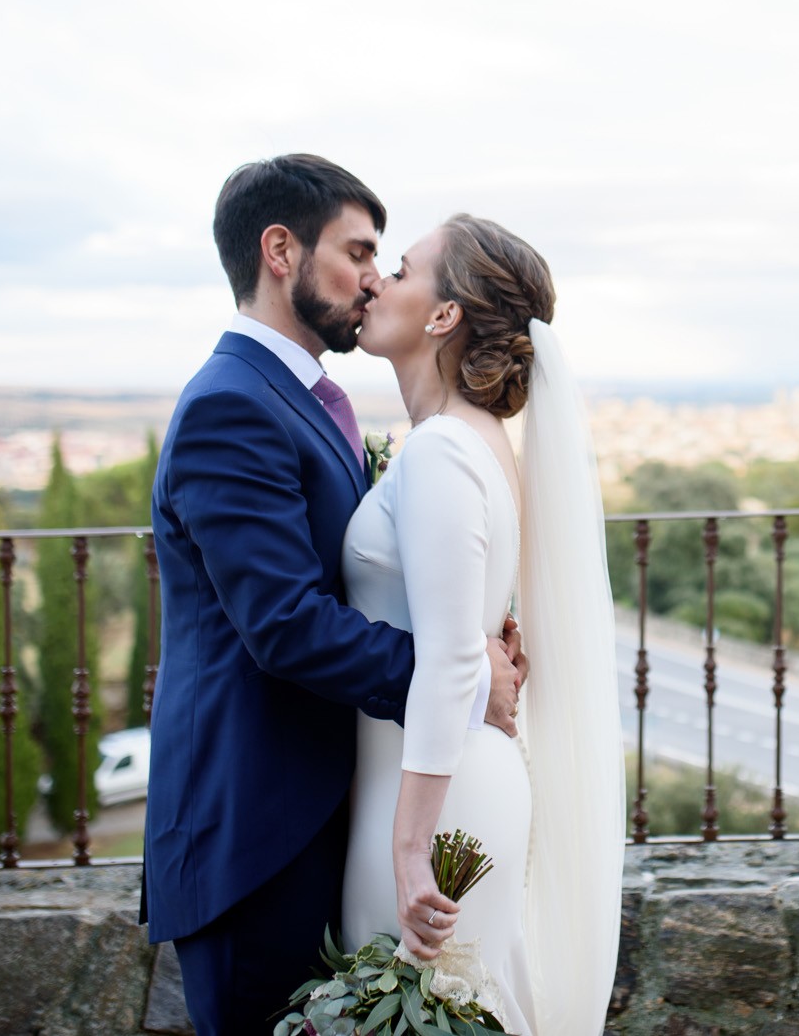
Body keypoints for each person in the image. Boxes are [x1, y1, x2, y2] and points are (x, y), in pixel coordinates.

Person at [144, 157, 523, 1035]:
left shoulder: (308, 399)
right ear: (281, 250)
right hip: (256, 833)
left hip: (324, 815)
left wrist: (472, 630)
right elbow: (285, 624)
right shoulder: (231, 406)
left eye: (382, 258)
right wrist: (465, 674)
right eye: (357, 252)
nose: (371, 277)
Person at [341, 213, 623, 1035]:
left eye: (401, 269)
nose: (376, 281)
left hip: (432, 802)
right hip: (443, 783)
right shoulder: (476, 441)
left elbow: (449, 659)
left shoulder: (442, 451)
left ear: (444, 315)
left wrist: (409, 850)